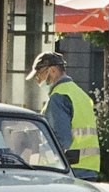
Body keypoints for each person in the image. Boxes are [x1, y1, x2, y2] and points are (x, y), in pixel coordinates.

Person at [26, 50, 101, 179]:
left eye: (39, 75)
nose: (38, 81)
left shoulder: (58, 97)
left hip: (68, 170)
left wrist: (35, 157)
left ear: (53, 70)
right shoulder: (80, 94)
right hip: (89, 169)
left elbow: (60, 140)